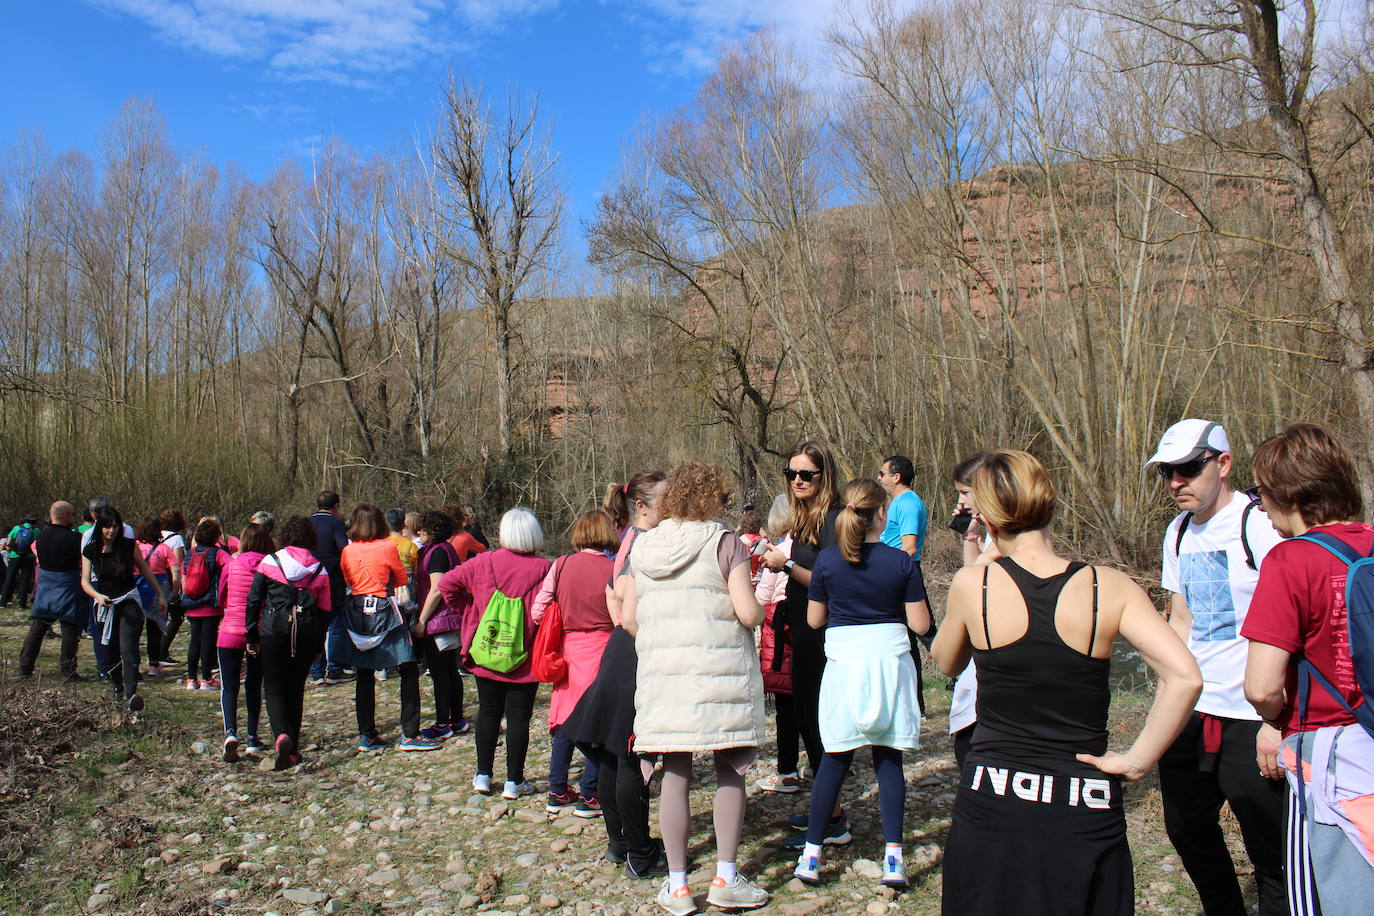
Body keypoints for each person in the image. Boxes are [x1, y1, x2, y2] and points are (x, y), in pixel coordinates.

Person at [933, 450, 1202, 916]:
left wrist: (982, 559)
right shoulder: (1108, 586)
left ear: (989, 519)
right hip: (1082, 800)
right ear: (1051, 505)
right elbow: (1185, 677)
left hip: (994, 799)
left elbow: (945, 662)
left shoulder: (972, 584)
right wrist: (1138, 759)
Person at [1145, 418, 1287, 916]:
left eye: (1187, 469)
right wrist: (1166, 700)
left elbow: (1293, 626)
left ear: (1223, 464)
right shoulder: (1178, 531)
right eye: (1167, 472)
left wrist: (1277, 722)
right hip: (1193, 710)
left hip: (1253, 715)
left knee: (1270, 845)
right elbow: (1179, 619)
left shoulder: (1261, 525)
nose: (1176, 482)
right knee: (1186, 829)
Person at [621, 461, 769, 915]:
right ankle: (726, 877)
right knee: (730, 770)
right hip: (720, 676)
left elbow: (628, 619)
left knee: (675, 774)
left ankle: (679, 886)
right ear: (714, 498)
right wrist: (761, 606)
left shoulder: (641, 548)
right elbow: (747, 613)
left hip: (664, 680)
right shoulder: (725, 543)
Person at [1242, 423, 1374, 915]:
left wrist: (1273, 721)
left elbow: (1260, 685)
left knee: (1321, 897)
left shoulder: (1291, 560)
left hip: (1328, 757)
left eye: (1261, 493)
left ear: (1287, 494)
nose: (1260, 505)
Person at [794, 478, 931, 889]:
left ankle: (811, 858)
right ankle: (894, 859)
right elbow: (921, 624)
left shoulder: (828, 562)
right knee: (888, 760)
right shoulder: (901, 562)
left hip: (845, 665)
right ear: (881, 515)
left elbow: (814, 621)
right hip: (888, 664)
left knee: (835, 757)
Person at [562, 470, 670, 881]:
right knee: (626, 755)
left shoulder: (628, 539)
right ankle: (640, 855)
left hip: (621, 652)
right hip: (634, 654)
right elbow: (626, 608)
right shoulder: (644, 543)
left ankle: (620, 844)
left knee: (611, 753)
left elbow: (613, 596)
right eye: (665, 500)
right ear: (641, 506)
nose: (673, 507)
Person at [760, 440, 849, 847]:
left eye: (806, 474)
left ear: (823, 476)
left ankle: (832, 820)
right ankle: (828, 810)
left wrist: (787, 564)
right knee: (807, 719)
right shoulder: (805, 519)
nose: (797, 480)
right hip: (801, 631)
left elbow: (835, 586)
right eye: (791, 474)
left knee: (818, 722)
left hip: (822, 636)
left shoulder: (833, 521)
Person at [436, 508, 551, 797]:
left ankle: (483, 776)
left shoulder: (483, 561)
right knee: (519, 718)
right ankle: (514, 782)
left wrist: (468, 612)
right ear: (535, 534)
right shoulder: (547, 569)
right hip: (526, 656)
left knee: (488, 712)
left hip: (486, 651)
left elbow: (446, 584)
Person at [532, 509, 618, 818]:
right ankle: (589, 794)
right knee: (598, 724)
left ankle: (556, 790)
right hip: (604, 650)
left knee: (565, 721)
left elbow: (537, 610)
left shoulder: (562, 564)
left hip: (568, 650)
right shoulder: (615, 567)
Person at [335, 504, 440, 753]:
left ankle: (366, 734)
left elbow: (347, 579)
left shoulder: (347, 551)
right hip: (386, 609)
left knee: (363, 674)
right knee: (407, 668)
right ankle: (410, 733)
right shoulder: (387, 547)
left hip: (357, 611)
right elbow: (402, 579)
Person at [245, 515, 334, 770]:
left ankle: (281, 734)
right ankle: (292, 750)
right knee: (296, 689)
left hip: (273, 631)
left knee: (273, 687)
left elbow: (254, 601)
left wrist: (251, 635)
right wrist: (318, 644)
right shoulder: (319, 567)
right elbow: (325, 610)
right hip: (306, 633)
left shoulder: (270, 561)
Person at [81, 506, 169, 712]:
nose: (111, 531)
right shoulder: (90, 549)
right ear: (100, 527)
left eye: (115, 526)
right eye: (107, 527)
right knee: (110, 650)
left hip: (129, 599)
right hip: (105, 602)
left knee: (128, 648)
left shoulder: (129, 546)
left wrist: (160, 595)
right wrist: (97, 596)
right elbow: (84, 581)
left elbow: (146, 570)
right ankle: (117, 687)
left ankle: (131, 694)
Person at [948, 451, 993, 769]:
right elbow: (971, 571)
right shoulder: (989, 534)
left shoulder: (1007, 539)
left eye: (965, 493)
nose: (962, 501)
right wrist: (970, 532)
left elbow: (972, 583)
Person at [411, 509, 471, 740]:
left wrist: (422, 620)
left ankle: (442, 723)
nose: (419, 532)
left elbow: (437, 588)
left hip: (439, 621)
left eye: (423, 528)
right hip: (450, 618)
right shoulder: (445, 550)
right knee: (450, 671)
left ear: (432, 531)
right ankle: (457, 720)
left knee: (441, 673)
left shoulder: (436, 553)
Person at [755, 494, 800, 793]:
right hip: (807, 625)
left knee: (787, 706)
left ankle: (787, 770)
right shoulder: (812, 548)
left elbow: (761, 600)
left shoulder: (780, 552)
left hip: (782, 632)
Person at [218, 521, 273, 762]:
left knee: (229, 686)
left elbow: (221, 595)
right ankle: (252, 737)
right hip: (259, 632)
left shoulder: (232, 563)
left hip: (230, 630)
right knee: (254, 684)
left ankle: (230, 732)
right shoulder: (269, 565)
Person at [18, 502, 85, 680]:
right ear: (64, 515)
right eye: (72, 514)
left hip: (46, 586)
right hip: (67, 584)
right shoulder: (74, 538)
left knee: (38, 628)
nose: (74, 517)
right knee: (70, 629)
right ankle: (68, 671)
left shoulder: (41, 537)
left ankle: (25, 668)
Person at [182, 518, 230, 690]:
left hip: (192, 603)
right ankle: (206, 678)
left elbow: (184, 574)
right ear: (216, 536)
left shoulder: (191, 552)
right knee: (208, 642)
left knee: (194, 641)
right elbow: (231, 567)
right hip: (210, 604)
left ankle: (190, 679)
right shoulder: (218, 553)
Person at [309, 490, 351, 685]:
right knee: (335, 623)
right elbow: (344, 547)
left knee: (315, 625)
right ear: (336, 506)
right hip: (332, 577)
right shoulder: (335, 523)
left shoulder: (308, 523)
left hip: (309, 578)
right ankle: (334, 668)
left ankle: (316, 671)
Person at [134, 517, 181, 677]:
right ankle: (154, 665)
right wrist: (175, 591)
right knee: (154, 629)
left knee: (134, 630)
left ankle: (134, 664)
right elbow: (175, 571)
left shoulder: (135, 547)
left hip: (137, 588)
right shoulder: (164, 548)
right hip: (158, 589)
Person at [878, 455, 929, 561]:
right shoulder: (899, 501)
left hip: (901, 571)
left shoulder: (907, 503)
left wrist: (886, 569)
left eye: (882, 474)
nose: (879, 478)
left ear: (896, 477)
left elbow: (909, 549)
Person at [155, 508, 188, 667]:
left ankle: (156, 653)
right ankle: (162, 652)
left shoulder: (156, 536)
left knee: (160, 617)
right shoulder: (177, 539)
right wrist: (179, 585)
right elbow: (178, 563)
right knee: (176, 617)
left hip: (156, 577)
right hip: (170, 578)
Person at [1, 513, 41, 609]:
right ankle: (22, 603)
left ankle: (3, 602)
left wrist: (12, 549)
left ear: (25, 520)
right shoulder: (37, 531)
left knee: (10, 577)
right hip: (29, 557)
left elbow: (8, 542)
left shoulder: (16, 528)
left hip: (15, 555)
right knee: (25, 579)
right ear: (34, 522)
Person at [385, 507, 418, 586]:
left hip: (387, 586)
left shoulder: (381, 544)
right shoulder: (411, 546)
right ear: (404, 525)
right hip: (406, 588)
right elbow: (416, 572)